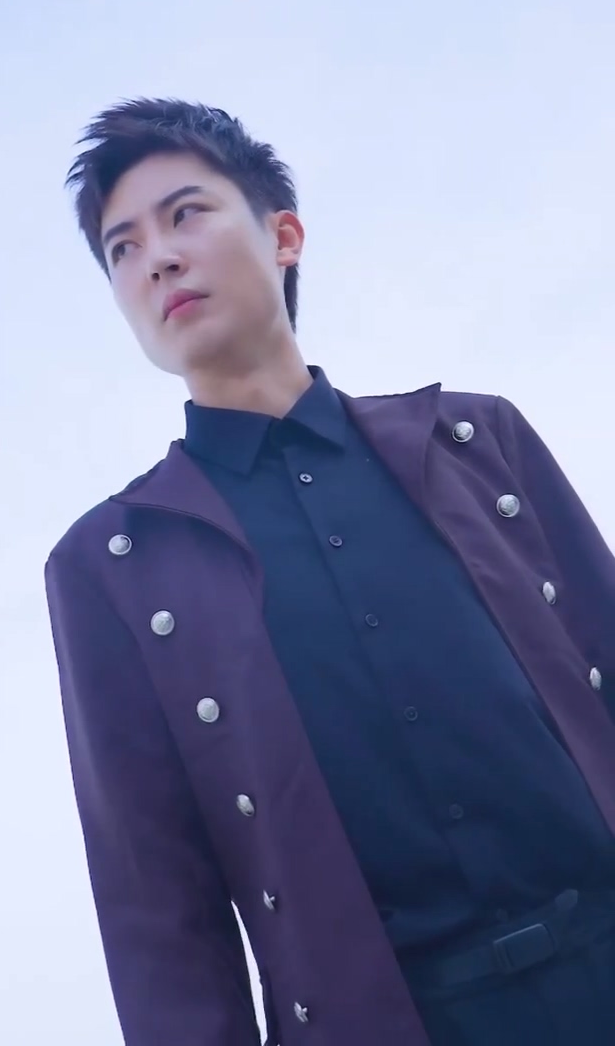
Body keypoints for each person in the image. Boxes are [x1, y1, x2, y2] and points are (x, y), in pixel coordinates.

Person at [45, 98, 615, 1046]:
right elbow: (158, 913)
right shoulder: (112, 569)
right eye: (122, 249)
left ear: (284, 236)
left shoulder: (479, 442)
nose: (158, 259)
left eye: (186, 214)